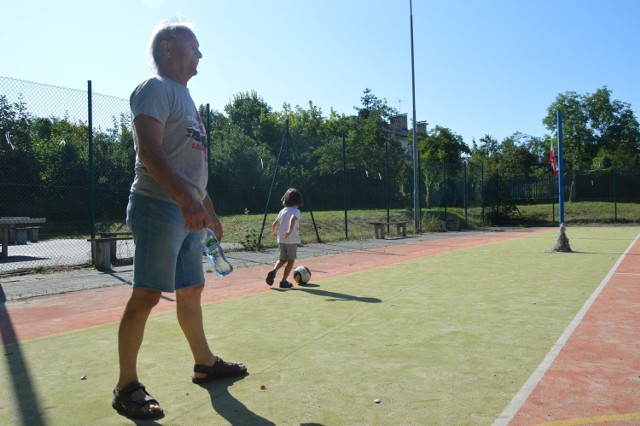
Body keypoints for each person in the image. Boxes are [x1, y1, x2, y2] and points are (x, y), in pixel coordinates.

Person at [112, 21, 247, 420]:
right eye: (194, 46)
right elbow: (149, 152)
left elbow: (192, 165)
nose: (200, 54)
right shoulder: (155, 89)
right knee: (148, 294)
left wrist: (209, 209)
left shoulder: (187, 99)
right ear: (168, 48)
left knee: (191, 289)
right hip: (158, 204)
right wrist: (187, 200)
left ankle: (204, 363)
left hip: (187, 207)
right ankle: (126, 386)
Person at [265, 188, 303, 289]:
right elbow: (292, 219)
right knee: (291, 260)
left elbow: (274, 223)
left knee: (282, 259)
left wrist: (274, 231)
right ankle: (283, 281)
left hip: (281, 239)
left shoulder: (282, 211)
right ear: (298, 200)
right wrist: (290, 231)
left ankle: (273, 271)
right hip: (291, 240)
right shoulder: (296, 211)